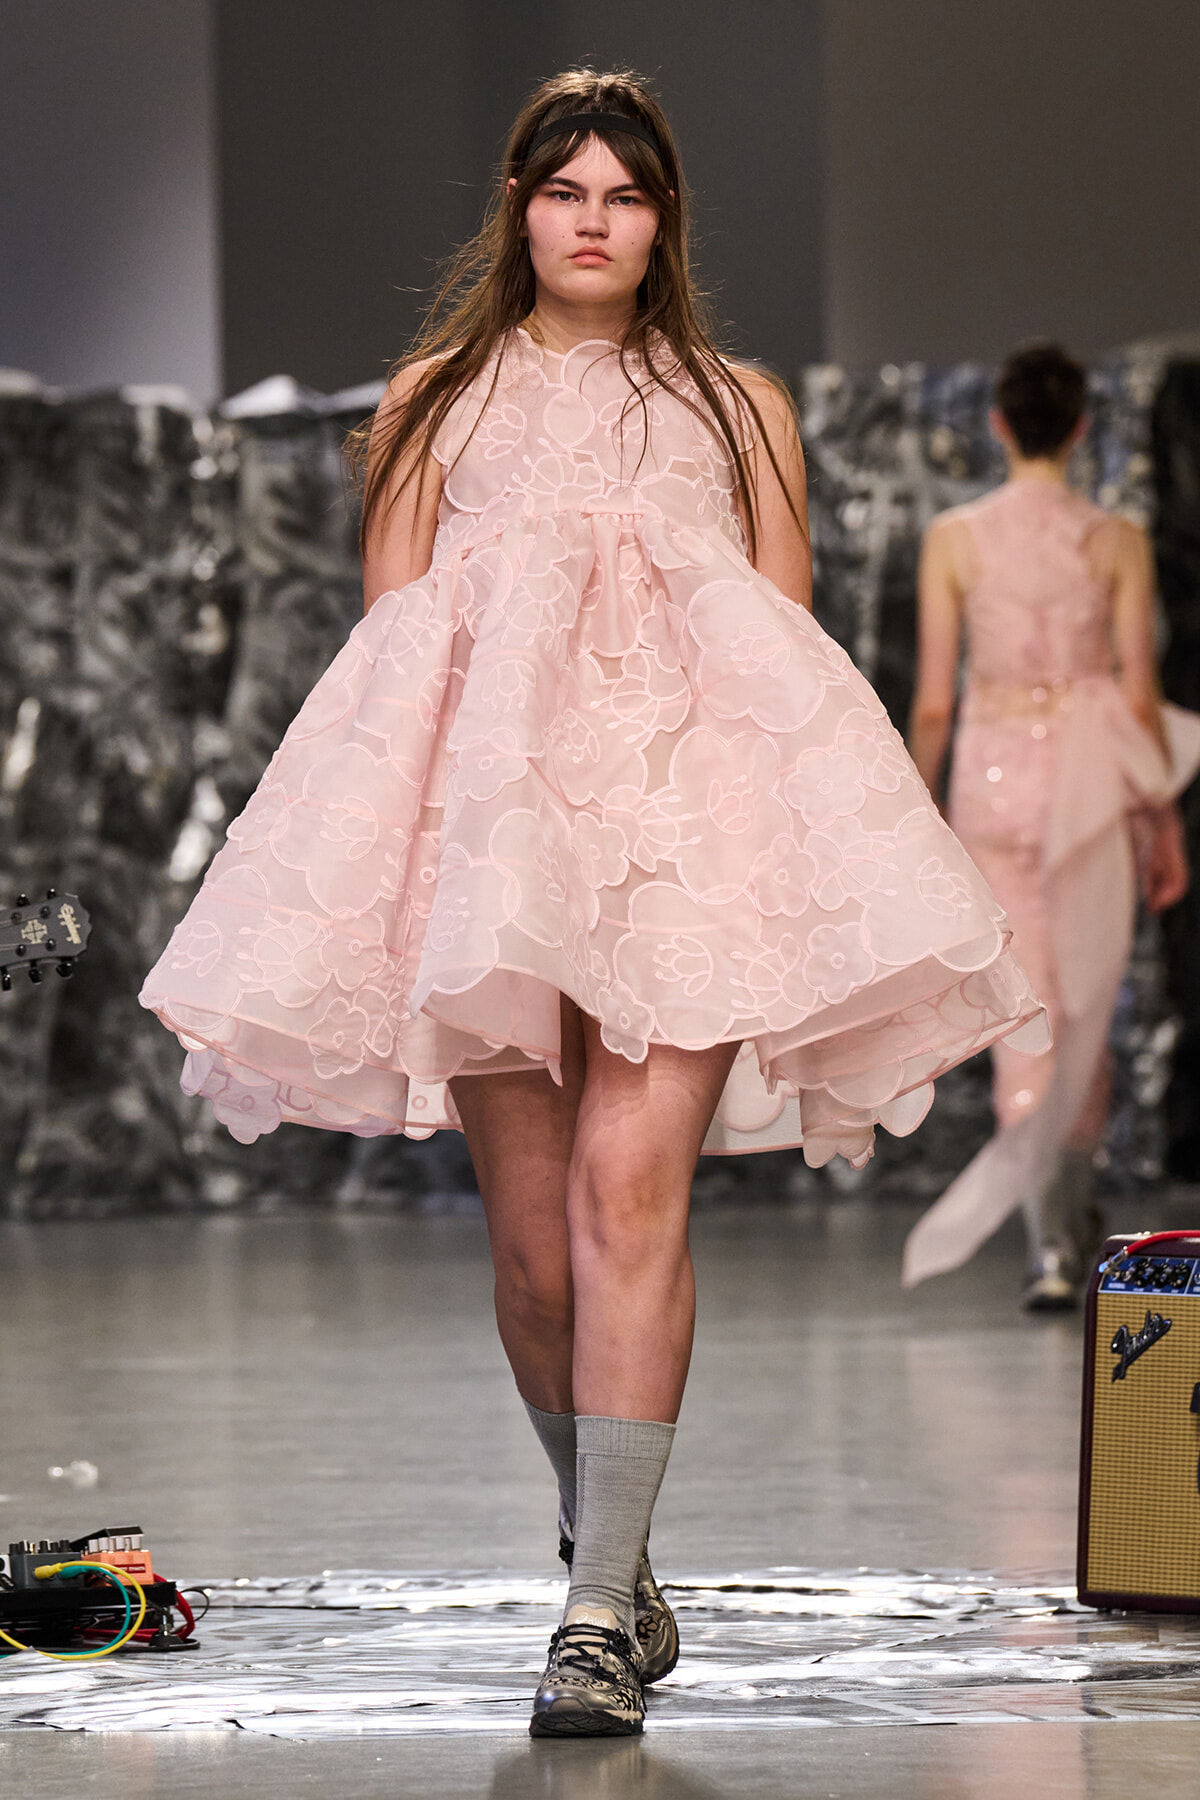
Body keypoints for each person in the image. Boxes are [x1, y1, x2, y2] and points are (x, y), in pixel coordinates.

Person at [141, 70, 1047, 1735]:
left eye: (626, 195)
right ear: (518, 205)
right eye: (566, 189)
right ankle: (612, 1562)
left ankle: (592, 1619)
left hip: (679, 844)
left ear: (662, 222)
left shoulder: (736, 407)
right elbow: (392, 656)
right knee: (535, 1253)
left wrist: (802, 867)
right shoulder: (431, 402)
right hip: (498, 857)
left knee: (633, 1202)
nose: (594, 219)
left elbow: (785, 655)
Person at [904, 342, 1200, 1310]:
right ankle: (1063, 1230)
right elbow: (1139, 693)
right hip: (1089, 789)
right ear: (1080, 428)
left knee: (1021, 1008)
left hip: (992, 786)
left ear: (997, 424)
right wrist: (1163, 819)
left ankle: (1052, 1247)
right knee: (1082, 1004)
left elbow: (939, 701)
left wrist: (906, 813)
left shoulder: (956, 536)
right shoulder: (1114, 538)